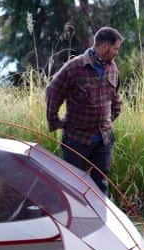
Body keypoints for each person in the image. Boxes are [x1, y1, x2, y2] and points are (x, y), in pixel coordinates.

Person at [45, 26, 123, 195]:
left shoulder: (112, 67)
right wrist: (55, 121)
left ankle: (101, 220)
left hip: (104, 139)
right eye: (116, 48)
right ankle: (75, 220)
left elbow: (115, 95)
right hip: (76, 139)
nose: (117, 52)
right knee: (74, 185)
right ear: (104, 47)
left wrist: (112, 117)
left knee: (101, 184)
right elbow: (52, 91)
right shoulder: (74, 67)